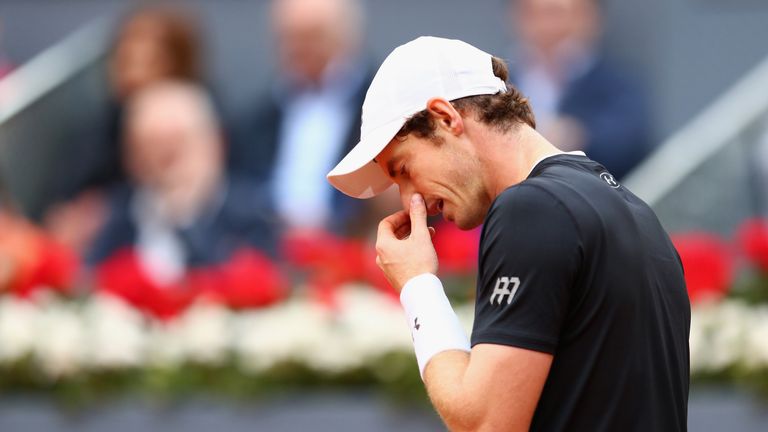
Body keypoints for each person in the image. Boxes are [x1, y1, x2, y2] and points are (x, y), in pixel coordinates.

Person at [327, 37, 689, 431]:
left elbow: (482, 422)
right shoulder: (633, 210)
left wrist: (417, 285)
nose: (412, 200)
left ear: (446, 118)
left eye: (404, 170)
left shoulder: (532, 210)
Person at [88, 81, 283, 318]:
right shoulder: (120, 216)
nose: (165, 161)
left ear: (215, 143)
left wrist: (185, 220)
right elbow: (92, 289)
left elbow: (257, 288)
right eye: (151, 146)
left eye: (177, 145)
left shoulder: (251, 213)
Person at [229, 0, 378, 236]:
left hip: (352, 242)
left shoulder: (380, 102)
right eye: (289, 38)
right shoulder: (259, 117)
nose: (299, 48)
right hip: (271, 244)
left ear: (346, 36)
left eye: (312, 36)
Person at [508, 0, 649, 180]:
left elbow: (628, 143)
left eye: (557, 13)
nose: (547, 26)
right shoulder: (496, 80)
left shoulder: (619, 85)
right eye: (534, 13)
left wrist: (575, 137)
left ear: (591, 16)